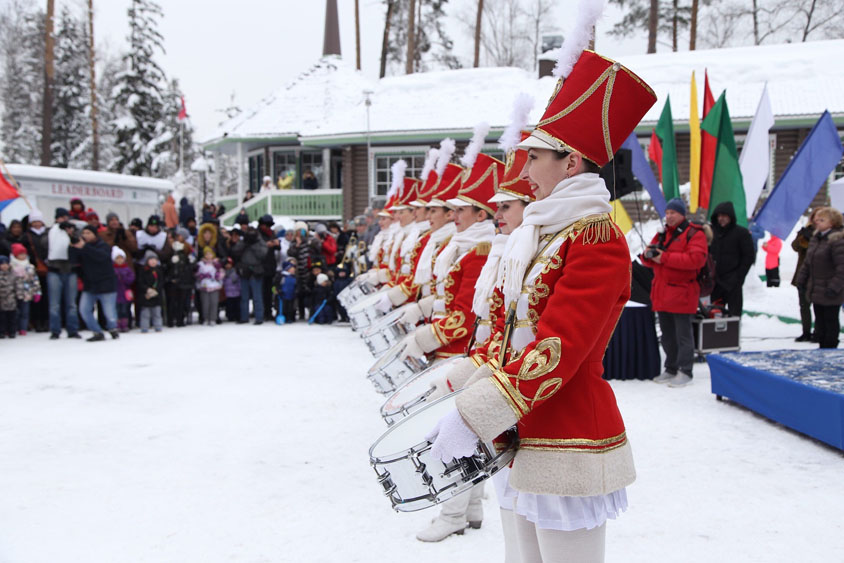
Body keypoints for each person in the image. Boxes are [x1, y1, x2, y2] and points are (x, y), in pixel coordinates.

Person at [423, 48, 655, 562]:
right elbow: (508, 333)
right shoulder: (545, 234)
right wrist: (471, 396)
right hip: (523, 426)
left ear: (570, 161)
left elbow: (558, 347)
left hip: (568, 431)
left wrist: (477, 412)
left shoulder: (596, 238)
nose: (523, 171)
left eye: (533, 157)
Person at [641, 198, 708, 387]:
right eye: (667, 213)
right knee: (668, 335)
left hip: (682, 292)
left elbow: (696, 260)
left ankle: (685, 370)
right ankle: (670, 368)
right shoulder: (663, 234)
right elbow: (650, 257)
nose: (669, 216)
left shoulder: (695, 233)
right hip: (662, 292)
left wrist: (665, 258)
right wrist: (648, 255)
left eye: (673, 213)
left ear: (682, 214)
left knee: (683, 335)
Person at [795, 206, 844, 349]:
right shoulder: (817, 238)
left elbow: (842, 268)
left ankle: (830, 349)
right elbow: (808, 262)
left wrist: (834, 287)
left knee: (830, 321)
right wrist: (801, 279)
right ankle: (822, 348)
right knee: (820, 321)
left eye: (822, 220)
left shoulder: (838, 239)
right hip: (816, 288)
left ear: (832, 222)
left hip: (830, 289)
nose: (817, 222)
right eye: (816, 220)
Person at [70, 225, 119, 342]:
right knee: (84, 310)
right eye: (84, 233)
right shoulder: (82, 248)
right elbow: (73, 262)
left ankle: (112, 328)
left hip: (106, 284)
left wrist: (85, 247)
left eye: (88, 233)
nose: (85, 235)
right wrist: (73, 247)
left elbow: (101, 257)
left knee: (109, 313)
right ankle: (97, 331)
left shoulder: (103, 246)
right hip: (90, 285)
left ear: (94, 234)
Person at [709, 201, 755, 317]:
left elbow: (748, 256)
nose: (721, 219)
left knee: (734, 317)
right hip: (715, 283)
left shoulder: (741, 233)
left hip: (733, 282)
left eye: (724, 216)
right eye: (719, 216)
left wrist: (738, 276)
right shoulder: (711, 232)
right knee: (713, 315)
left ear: (730, 217)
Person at [47, 208, 81, 339]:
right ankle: (55, 330)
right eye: (62, 217)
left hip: (70, 269)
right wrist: (60, 228)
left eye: (66, 217)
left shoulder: (73, 229)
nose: (64, 220)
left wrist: (71, 233)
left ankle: (73, 329)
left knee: (71, 303)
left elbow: (77, 243)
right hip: (55, 269)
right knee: (54, 304)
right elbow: (51, 245)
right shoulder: (52, 230)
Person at [791, 211, 817, 342]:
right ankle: (806, 331)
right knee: (804, 305)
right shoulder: (805, 231)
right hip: (803, 273)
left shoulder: (827, 234)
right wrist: (802, 237)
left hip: (819, 274)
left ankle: (818, 331)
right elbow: (795, 246)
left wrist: (811, 238)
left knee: (819, 306)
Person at [234, 227, 267, 324]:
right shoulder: (243, 240)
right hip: (244, 270)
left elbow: (263, 254)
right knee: (244, 296)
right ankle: (244, 317)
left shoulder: (259, 241)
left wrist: (253, 245)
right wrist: (245, 243)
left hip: (256, 270)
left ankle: (259, 317)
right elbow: (235, 251)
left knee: (257, 296)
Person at [25, 209, 50, 332]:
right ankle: (37, 321)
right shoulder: (27, 235)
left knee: (47, 296)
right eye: (34, 221)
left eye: (38, 221)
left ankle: (46, 320)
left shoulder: (48, 232)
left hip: (48, 268)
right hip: (34, 270)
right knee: (37, 297)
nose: (36, 224)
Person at [9, 243, 42, 336]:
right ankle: (13, 328)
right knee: (14, 312)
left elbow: (35, 280)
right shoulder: (11, 267)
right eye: (20, 254)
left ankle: (23, 328)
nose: (22, 256)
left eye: (24, 254)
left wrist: (37, 292)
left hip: (26, 293)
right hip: (12, 294)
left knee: (25, 312)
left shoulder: (30, 266)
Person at [166, 239, 195, 327]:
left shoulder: (186, 257)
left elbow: (190, 269)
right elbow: (167, 268)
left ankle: (180, 320)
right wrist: (171, 262)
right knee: (172, 302)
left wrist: (191, 261)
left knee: (181, 302)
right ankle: (170, 320)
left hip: (183, 282)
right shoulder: (171, 255)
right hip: (173, 281)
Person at [137, 250, 164, 333]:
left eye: (154, 260)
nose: (153, 261)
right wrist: (147, 290)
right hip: (146, 294)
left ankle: (158, 326)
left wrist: (156, 290)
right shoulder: (143, 270)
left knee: (157, 312)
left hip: (156, 294)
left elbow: (161, 282)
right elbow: (140, 282)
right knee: (145, 313)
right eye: (151, 260)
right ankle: (144, 327)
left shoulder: (159, 270)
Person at [196, 248, 224, 327]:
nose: (208, 256)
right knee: (205, 303)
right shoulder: (201, 264)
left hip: (214, 285)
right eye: (207, 254)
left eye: (210, 254)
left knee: (214, 303)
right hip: (204, 286)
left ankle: (213, 318)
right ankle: (205, 318)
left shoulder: (216, 263)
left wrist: (217, 276)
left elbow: (221, 273)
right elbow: (197, 274)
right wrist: (202, 276)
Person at [112, 247, 135, 333]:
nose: (119, 260)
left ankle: (125, 324)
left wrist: (123, 278)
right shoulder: (112, 270)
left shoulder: (127, 269)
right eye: (117, 258)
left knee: (125, 310)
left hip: (125, 293)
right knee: (117, 310)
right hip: (116, 293)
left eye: (121, 258)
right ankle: (117, 325)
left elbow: (131, 279)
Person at [0, 256, 16, 338]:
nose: (4, 266)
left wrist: (19, 295)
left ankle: (12, 332)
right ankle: (2, 332)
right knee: (2, 318)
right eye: (2, 264)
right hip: (2, 301)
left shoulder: (13, 274)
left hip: (11, 300)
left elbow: (17, 286)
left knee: (12, 318)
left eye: (6, 263)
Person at [223, 257, 241, 322]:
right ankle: (230, 316)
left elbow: (238, 281)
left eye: (229, 264)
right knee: (229, 306)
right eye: (226, 264)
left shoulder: (235, 272)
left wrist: (239, 289)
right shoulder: (223, 272)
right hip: (228, 293)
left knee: (237, 306)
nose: (228, 265)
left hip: (236, 292)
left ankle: (237, 316)